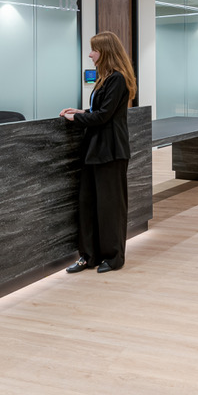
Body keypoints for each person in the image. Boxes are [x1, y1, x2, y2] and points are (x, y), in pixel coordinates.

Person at [59, 31, 137, 274]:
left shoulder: (118, 79)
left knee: (110, 207)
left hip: (111, 152)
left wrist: (76, 119)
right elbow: (101, 110)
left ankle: (114, 257)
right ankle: (88, 256)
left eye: (94, 50)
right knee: (88, 204)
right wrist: (82, 111)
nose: (90, 54)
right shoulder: (105, 78)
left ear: (105, 52)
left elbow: (104, 116)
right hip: (95, 150)